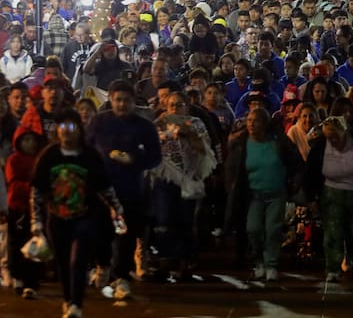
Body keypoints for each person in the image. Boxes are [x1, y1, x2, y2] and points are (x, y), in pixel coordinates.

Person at [30, 109, 126, 318]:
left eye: (71, 126)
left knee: (78, 260)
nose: (66, 131)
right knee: (63, 262)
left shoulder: (90, 155)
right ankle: (68, 300)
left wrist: (117, 209)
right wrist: (36, 221)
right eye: (62, 126)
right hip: (56, 217)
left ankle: (76, 304)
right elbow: (37, 191)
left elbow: (105, 187)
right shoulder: (49, 155)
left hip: (85, 216)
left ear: (79, 130)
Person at [84, 80, 162, 299]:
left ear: (134, 102)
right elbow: (85, 149)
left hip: (129, 191)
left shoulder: (144, 126)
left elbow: (155, 157)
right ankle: (101, 265)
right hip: (100, 190)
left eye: (126, 100)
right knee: (100, 231)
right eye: (118, 100)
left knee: (125, 235)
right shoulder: (98, 122)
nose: (122, 104)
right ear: (110, 99)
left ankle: (122, 277)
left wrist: (134, 159)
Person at [224, 107, 301, 282]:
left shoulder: (278, 142)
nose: (251, 124)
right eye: (249, 121)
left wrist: (294, 182)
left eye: (256, 121)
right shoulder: (242, 144)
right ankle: (258, 260)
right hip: (253, 195)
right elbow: (232, 169)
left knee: (273, 229)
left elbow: (294, 161)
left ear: (265, 124)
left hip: (276, 192)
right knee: (253, 229)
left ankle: (271, 264)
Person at [304, 115, 353, 282]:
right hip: (331, 193)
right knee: (333, 232)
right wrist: (311, 198)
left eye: (335, 137)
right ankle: (333, 268)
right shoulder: (320, 147)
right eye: (329, 137)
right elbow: (311, 171)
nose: (333, 141)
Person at [150, 91, 216, 278]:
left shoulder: (196, 123)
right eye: (171, 105)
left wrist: (188, 134)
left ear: (187, 106)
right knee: (164, 219)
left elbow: (204, 149)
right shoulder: (159, 123)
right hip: (165, 178)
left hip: (189, 178)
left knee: (186, 220)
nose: (175, 108)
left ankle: (185, 261)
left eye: (179, 105)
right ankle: (165, 259)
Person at [4, 110, 46, 298]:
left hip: (36, 209)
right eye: (26, 140)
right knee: (16, 244)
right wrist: (34, 187)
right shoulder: (14, 160)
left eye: (33, 140)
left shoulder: (40, 159)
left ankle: (32, 281)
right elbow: (14, 185)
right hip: (18, 208)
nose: (30, 143)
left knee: (35, 244)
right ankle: (18, 277)